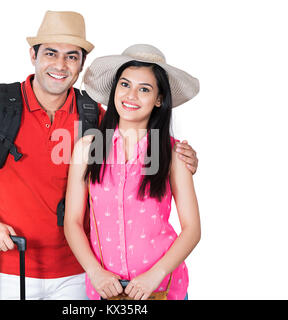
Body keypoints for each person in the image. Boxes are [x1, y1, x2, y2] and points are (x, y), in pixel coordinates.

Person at [0, 10, 199, 300]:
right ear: (33, 56)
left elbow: (137, 137)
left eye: (72, 56)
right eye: (51, 53)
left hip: (78, 275)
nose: (60, 65)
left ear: (81, 64)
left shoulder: (94, 117)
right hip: (13, 263)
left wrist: (182, 157)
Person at [64, 44, 201, 300]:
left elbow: (192, 228)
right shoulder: (87, 148)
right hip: (105, 288)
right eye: (125, 85)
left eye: (145, 89)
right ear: (115, 90)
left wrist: (156, 274)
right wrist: (95, 272)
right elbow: (72, 222)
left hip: (162, 288)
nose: (131, 95)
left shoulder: (174, 155)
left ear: (159, 99)